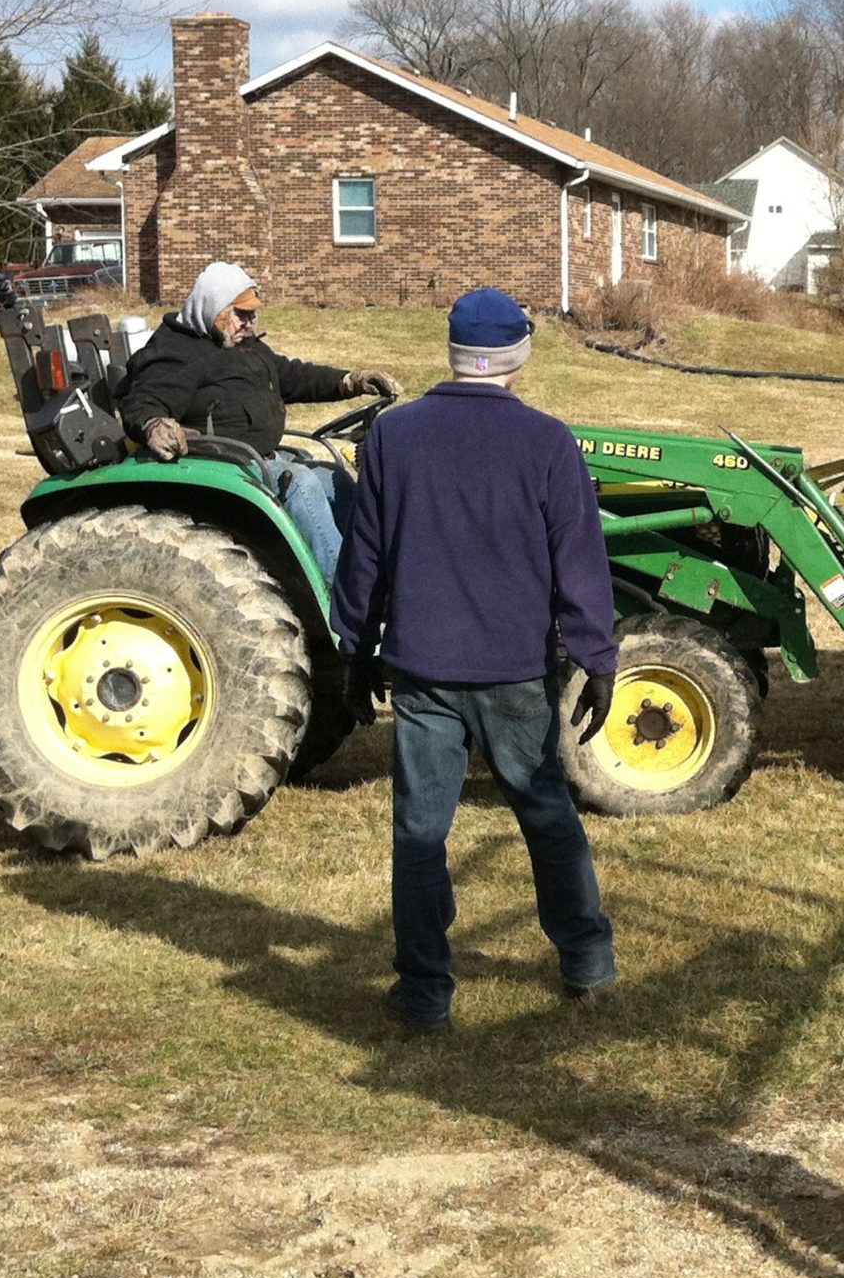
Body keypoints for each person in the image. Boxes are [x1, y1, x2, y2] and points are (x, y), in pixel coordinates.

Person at [329, 286, 618, 1034]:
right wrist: (598, 658)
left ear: (453, 353)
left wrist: (353, 650)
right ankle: (587, 962)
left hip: (422, 668)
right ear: (519, 357)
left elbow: (364, 556)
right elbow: (580, 562)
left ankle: (425, 994)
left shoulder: (393, 436)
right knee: (547, 816)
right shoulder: (548, 442)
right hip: (515, 668)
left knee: (420, 833)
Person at [116, 261, 399, 583]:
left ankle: (371, 569)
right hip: (221, 464)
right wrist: (155, 425)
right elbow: (143, 400)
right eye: (242, 314)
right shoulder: (177, 352)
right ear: (214, 308)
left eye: (253, 315)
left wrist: (350, 381)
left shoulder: (243, 345)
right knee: (301, 483)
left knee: (333, 476)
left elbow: (292, 375)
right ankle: (344, 586)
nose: (250, 324)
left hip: (257, 457)